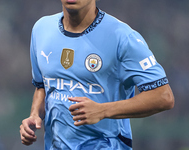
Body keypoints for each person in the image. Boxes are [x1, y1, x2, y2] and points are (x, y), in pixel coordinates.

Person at [20, 0, 174, 149]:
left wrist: (103, 110)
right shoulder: (41, 29)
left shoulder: (122, 36)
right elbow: (42, 86)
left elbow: (163, 96)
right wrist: (35, 115)